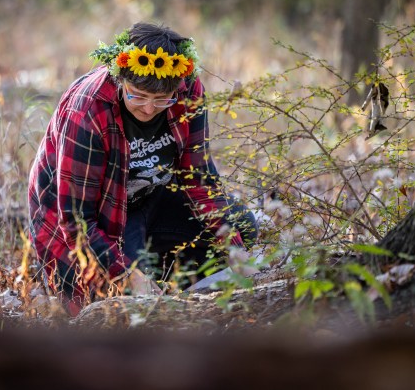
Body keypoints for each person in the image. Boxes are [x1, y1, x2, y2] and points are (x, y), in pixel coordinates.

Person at [27, 22, 257, 315]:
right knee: (123, 302)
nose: (149, 109)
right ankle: (149, 282)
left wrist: (233, 249)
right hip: (91, 217)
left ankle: (178, 289)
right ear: (119, 77)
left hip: (150, 195)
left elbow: (198, 179)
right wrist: (129, 275)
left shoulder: (187, 88)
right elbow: (76, 223)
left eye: (162, 99)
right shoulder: (88, 109)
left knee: (241, 228)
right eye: (137, 96)